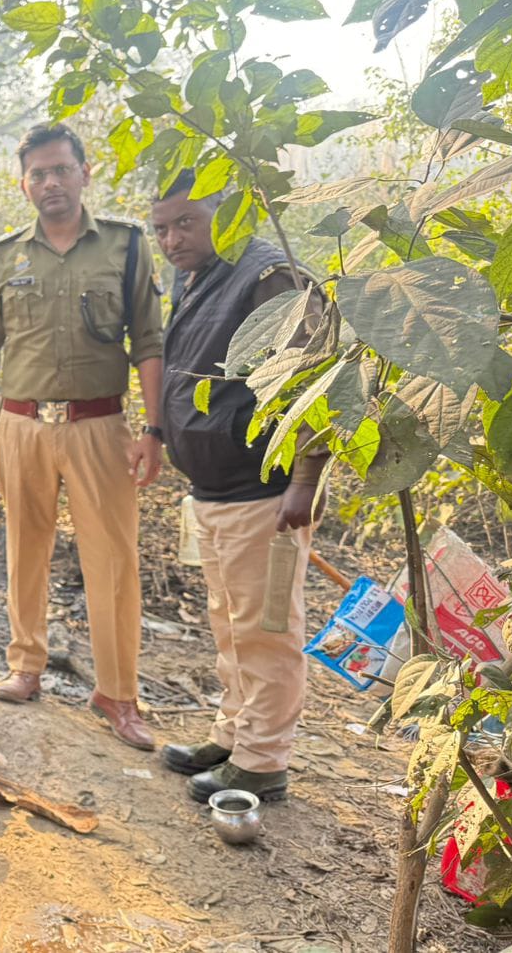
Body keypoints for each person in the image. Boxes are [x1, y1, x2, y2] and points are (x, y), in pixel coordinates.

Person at [0, 123, 164, 751]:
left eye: (61, 169)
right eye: (38, 173)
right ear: (24, 184)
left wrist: (153, 431)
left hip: (99, 428)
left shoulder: (126, 246)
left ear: (84, 173)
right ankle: (26, 665)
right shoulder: (1, 257)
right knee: (26, 549)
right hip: (20, 427)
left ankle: (118, 693)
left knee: (114, 561)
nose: (51, 182)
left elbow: (149, 343)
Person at [151, 169, 326, 803]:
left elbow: (315, 381)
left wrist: (304, 480)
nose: (172, 239)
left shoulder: (269, 276)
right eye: (161, 229)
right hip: (215, 489)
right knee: (229, 624)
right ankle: (234, 733)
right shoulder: (198, 275)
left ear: (225, 213)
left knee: (266, 629)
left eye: (186, 223)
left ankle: (262, 760)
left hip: (265, 491)